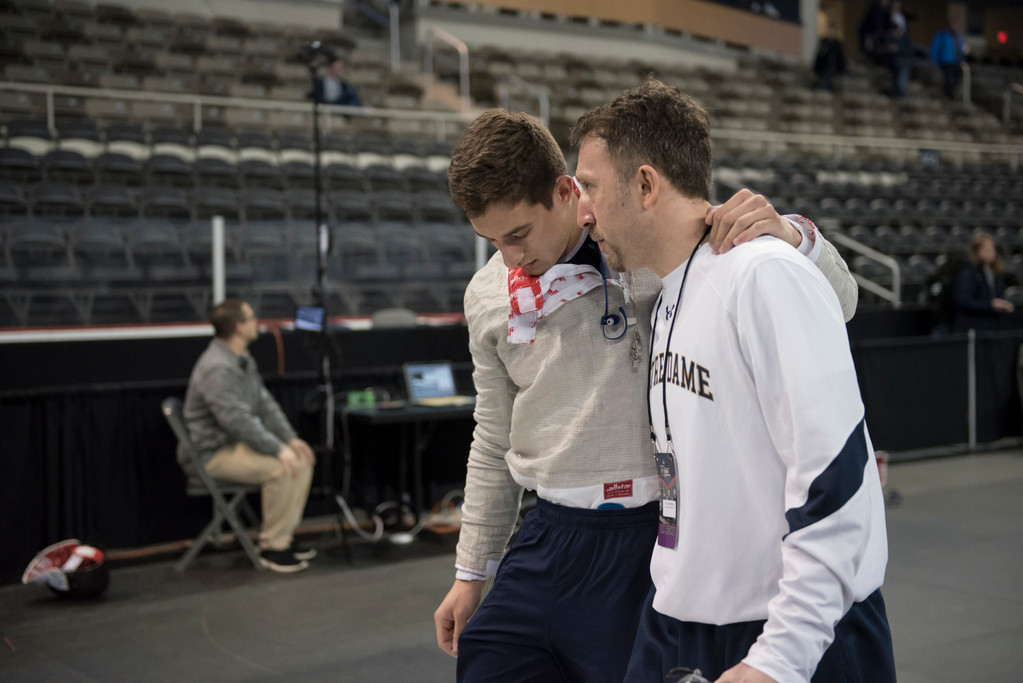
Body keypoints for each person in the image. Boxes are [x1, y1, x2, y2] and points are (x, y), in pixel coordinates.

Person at [433, 108, 858, 682]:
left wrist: (793, 235)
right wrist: (471, 570)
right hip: (547, 530)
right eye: (491, 240)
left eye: (518, 235)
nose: (510, 256)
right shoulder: (486, 292)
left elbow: (843, 299)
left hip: (649, 530)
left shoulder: (646, 242)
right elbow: (491, 438)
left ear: (565, 192)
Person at [571, 79, 894, 683]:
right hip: (680, 622)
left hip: (792, 636)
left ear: (645, 185)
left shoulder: (764, 273)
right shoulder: (665, 292)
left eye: (588, 186)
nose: (581, 210)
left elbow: (838, 482)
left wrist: (780, 657)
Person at [181, 298, 317, 573]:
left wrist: (290, 439)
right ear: (239, 327)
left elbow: (264, 403)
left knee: (300, 458)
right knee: (282, 468)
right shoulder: (218, 367)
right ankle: (272, 548)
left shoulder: (242, 359)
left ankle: (283, 538)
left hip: (235, 446)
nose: (258, 323)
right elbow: (236, 421)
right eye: (252, 318)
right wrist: (277, 450)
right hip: (211, 455)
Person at [953, 231, 1015, 331]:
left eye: (992, 249)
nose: (990, 253)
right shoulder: (969, 272)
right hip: (975, 326)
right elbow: (963, 301)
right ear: (977, 251)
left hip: (993, 325)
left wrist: (1004, 305)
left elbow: (998, 295)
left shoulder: (995, 273)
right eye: (986, 249)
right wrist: (990, 305)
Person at [930, 16, 968, 100]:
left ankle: (950, 94)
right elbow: (935, 47)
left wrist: (962, 60)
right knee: (948, 79)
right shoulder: (942, 35)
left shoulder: (958, 36)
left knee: (957, 78)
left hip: (956, 61)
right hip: (946, 61)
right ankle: (948, 95)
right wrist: (934, 60)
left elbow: (961, 49)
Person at [812, 22, 846, 92]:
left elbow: (841, 58)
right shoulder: (823, 42)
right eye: (828, 30)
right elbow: (819, 56)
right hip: (825, 70)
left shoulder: (837, 44)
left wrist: (842, 70)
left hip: (835, 70)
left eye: (831, 30)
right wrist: (816, 69)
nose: (829, 32)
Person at [888, 19, 915, 98]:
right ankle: (895, 95)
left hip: (905, 61)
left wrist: (898, 49)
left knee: (901, 81)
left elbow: (910, 50)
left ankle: (901, 97)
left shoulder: (906, 38)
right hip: (894, 62)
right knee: (894, 80)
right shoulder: (891, 37)